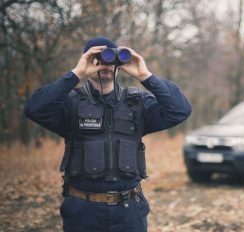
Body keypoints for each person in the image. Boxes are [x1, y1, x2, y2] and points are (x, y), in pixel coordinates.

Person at [24, 37, 192, 232]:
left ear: (118, 65)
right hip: (82, 211)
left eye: (110, 58)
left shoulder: (137, 103)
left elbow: (180, 110)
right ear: (86, 61)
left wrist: (145, 75)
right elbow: (34, 109)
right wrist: (76, 74)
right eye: (98, 58)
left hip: (129, 211)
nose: (105, 64)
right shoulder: (70, 103)